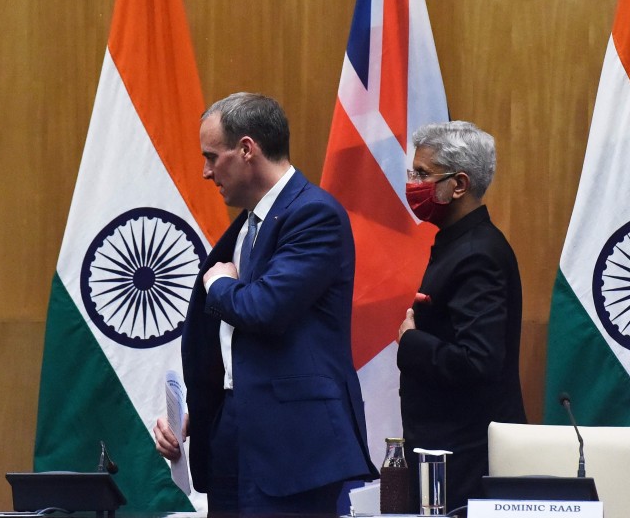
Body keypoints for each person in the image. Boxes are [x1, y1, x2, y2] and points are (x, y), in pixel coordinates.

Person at [154, 92, 377, 515]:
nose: (205, 172)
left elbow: (265, 309)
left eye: (211, 157)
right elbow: (235, 343)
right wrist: (202, 414)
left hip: (293, 446)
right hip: (233, 428)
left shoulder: (315, 215)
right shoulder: (249, 224)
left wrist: (219, 285)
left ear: (246, 149)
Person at [397, 121, 527, 512]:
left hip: (465, 457)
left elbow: (478, 360)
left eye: (423, 174)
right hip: (447, 449)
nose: (413, 184)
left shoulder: (477, 254)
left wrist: (411, 340)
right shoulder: (459, 244)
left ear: (459, 184)